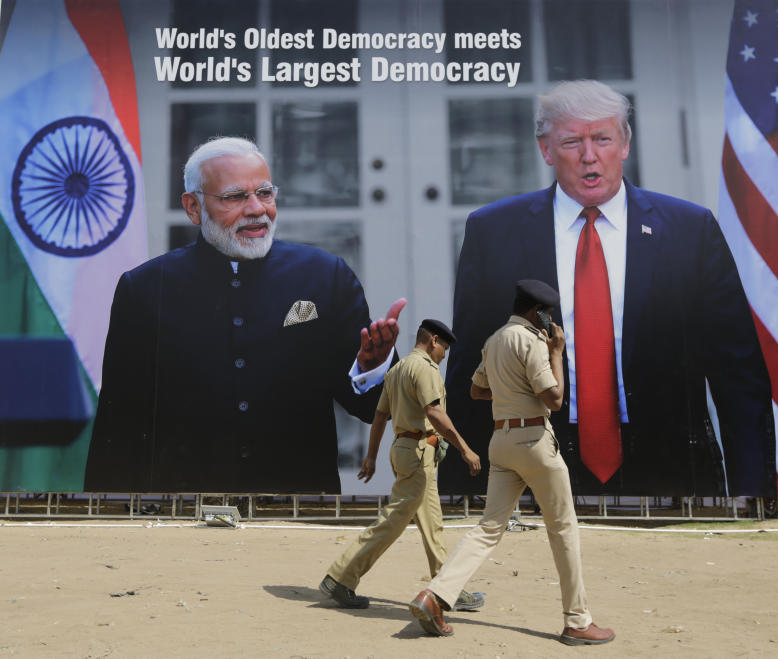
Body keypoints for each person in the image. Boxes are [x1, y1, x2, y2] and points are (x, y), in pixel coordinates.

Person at [442, 80, 775, 497]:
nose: (589, 156)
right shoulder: (493, 233)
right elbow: (470, 377)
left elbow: (740, 382)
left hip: (673, 473)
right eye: (571, 142)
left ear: (625, 143)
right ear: (546, 149)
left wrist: (754, 501)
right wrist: (459, 496)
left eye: (602, 138)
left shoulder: (690, 231)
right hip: (533, 471)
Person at [84, 137, 404, 493]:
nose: (256, 209)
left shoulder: (325, 276)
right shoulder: (144, 289)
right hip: (180, 512)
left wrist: (374, 367)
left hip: (301, 512)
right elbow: (119, 426)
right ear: (193, 207)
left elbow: (373, 408)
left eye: (265, 193)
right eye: (235, 197)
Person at [410, 280, 614, 645]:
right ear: (538, 313)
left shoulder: (494, 340)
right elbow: (554, 398)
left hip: (500, 440)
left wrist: (511, 392)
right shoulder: (533, 340)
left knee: (488, 528)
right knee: (563, 529)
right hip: (534, 440)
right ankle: (577, 621)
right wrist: (556, 352)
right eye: (547, 316)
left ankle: (435, 595)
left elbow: (475, 390)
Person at [321, 319, 484, 611]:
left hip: (407, 450)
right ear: (434, 340)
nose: (444, 354)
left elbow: (380, 416)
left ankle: (447, 589)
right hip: (419, 453)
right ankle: (340, 576)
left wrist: (371, 457)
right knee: (393, 521)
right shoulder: (425, 368)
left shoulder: (396, 370)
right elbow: (434, 412)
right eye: (444, 347)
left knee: (433, 526)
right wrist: (465, 448)